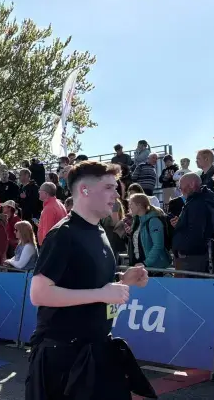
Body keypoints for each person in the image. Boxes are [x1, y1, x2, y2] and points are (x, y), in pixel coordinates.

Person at [26, 161, 152, 399]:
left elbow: (87, 281)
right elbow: (39, 293)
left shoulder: (100, 231)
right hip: (63, 357)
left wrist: (123, 280)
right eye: (109, 188)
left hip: (97, 349)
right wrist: (102, 294)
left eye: (116, 188)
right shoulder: (63, 234)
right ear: (84, 190)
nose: (117, 194)